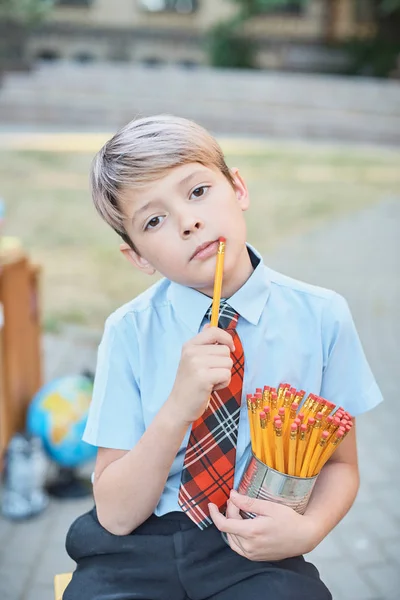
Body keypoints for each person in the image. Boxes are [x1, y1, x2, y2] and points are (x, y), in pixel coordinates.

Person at [64, 115, 382, 600]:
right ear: (139, 258)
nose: (189, 222)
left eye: (197, 192)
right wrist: (177, 407)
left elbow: (341, 464)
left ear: (238, 189)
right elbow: (115, 513)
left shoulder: (321, 317)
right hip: (133, 548)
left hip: (250, 542)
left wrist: (309, 530)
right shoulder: (128, 332)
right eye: (154, 220)